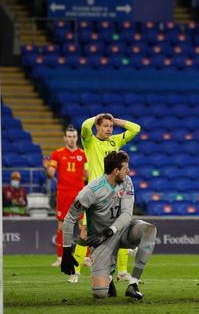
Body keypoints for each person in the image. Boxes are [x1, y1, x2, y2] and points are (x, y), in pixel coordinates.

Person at [60, 151, 156, 300]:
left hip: (122, 231)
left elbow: (126, 214)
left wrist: (111, 231)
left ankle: (133, 284)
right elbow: (70, 217)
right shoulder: (91, 191)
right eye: (125, 168)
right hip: (100, 240)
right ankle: (109, 278)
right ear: (116, 171)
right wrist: (66, 250)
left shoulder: (127, 181)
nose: (128, 171)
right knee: (100, 293)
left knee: (149, 230)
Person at [81, 113, 141, 285]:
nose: (109, 129)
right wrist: (96, 117)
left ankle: (121, 272)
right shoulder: (90, 142)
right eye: (105, 125)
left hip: (115, 194)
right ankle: (105, 276)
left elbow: (136, 129)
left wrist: (116, 120)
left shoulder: (115, 141)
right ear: (97, 127)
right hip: (96, 197)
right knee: (98, 239)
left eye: (110, 126)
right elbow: (85, 126)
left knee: (119, 231)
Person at [43, 125, 88, 271]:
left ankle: (85, 257)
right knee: (62, 227)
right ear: (65, 138)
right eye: (69, 136)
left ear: (77, 137)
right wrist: (47, 167)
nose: (72, 139)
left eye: (74, 136)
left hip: (80, 195)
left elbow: (87, 175)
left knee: (83, 226)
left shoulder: (83, 154)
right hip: (63, 194)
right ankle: (61, 257)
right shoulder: (58, 154)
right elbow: (51, 174)